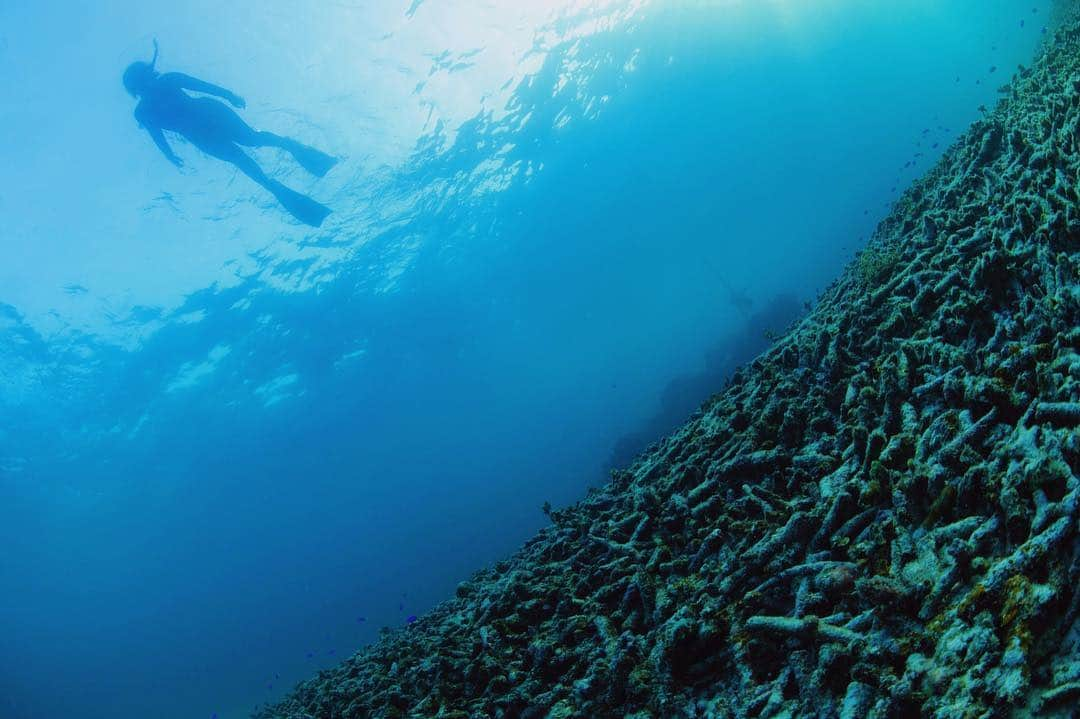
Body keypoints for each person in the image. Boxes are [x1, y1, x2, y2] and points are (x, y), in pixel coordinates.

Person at [124, 41, 337, 227]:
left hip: (209, 116)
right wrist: (168, 155)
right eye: (142, 82)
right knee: (242, 160)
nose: (148, 84)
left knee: (252, 140)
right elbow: (156, 136)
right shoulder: (143, 111)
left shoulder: (165, 84)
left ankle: (290, 146)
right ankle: (277, 187)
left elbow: (202, 86)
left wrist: (229, 95)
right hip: (201, 133)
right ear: (138, 86)